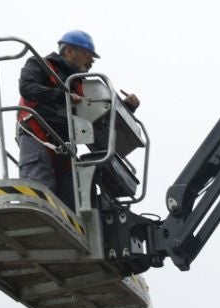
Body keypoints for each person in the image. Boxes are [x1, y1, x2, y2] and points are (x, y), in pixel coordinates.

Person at [16, 31, 139, 205]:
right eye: (88, 54)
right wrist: (62, 95)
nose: (92, 61)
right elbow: (27, 88)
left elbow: (99, 115)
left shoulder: (79, 82)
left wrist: (128, 107)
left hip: (65, 147)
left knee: (74, 204)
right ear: (69, 51)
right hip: (38, 137)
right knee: (39, 196)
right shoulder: (41, 65)